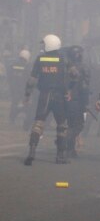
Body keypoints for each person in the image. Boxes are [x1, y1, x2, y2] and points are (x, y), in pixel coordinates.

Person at [23, 35, 70, 165]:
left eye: (44, 44)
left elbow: (32, 80)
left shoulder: (40, 59)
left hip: (44, 95)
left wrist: (27, 95)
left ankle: (32, 151)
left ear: (49, 44)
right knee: (62, 125)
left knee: (38, 123)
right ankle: (60, 156)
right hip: (59, 96)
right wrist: (67, 92)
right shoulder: (62, 60)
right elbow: (67, 78)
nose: (43, 47)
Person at [65, 46, 91, 158]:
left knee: (67, 124)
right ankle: (67, 146)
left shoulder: (63, 65)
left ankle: (66, 146)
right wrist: (86, 103)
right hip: (76, 101)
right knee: (77, 125)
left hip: (63, 99)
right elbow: (85, 87)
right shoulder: (83, 67)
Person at [6, 49, 31, 128]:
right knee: (25, 103)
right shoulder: (27, 66)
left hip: (14, 87)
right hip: (22, 88)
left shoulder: (12, 64)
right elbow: (28, 78)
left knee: (15, 103)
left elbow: (9, 76)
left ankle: (12, 118)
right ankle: (27, 120)